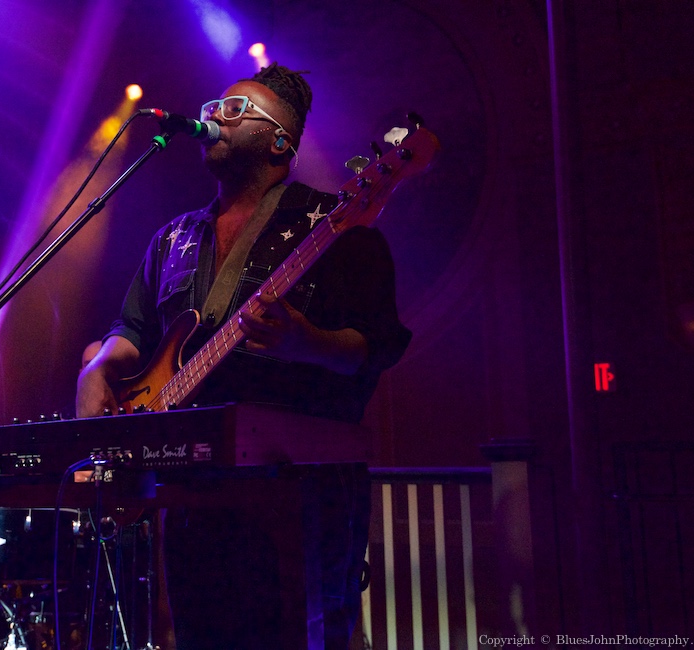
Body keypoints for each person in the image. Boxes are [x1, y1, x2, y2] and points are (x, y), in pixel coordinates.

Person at [77, 63, 411, 650]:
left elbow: (376, 348)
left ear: (280, 141)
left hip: (297, 493)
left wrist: (306, 340)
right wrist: (98, 367)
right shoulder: (173, 237)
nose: (212, 115)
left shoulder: (336, 227)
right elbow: (130, 329)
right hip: (190, 491)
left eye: (235, 110)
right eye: (213, 105)